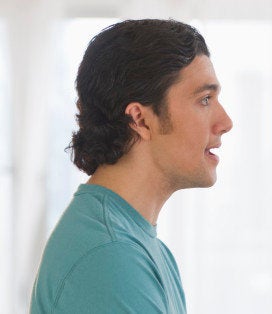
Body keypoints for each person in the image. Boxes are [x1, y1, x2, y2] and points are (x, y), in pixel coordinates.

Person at [30, 19, 232, 313]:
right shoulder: (109, 255)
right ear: (140, 119)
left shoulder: (141, 247)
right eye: (204, 99)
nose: (225, 122)